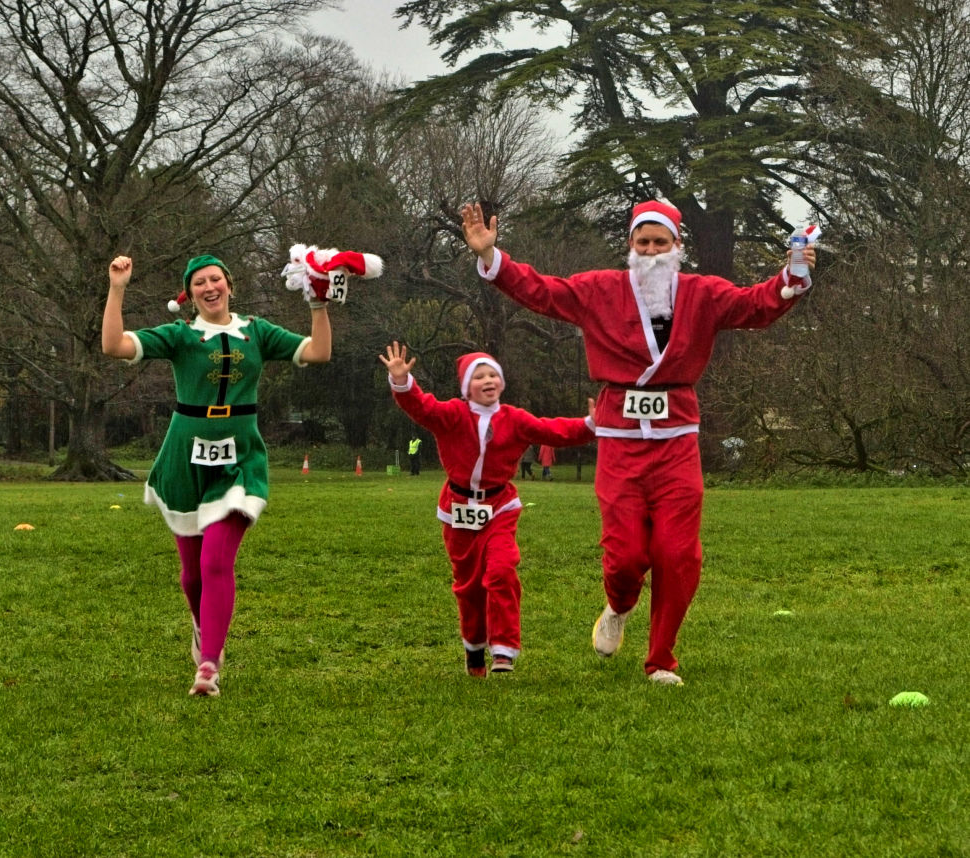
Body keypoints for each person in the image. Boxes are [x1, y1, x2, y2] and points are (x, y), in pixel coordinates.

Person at [461, 199, 817, 685]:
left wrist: (790, 278)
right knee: (626, 554)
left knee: (678, 552)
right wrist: (490, 257)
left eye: (660, 242)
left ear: (677, 247)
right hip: (620, 440)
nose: (651, 251)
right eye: (643, 242)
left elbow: (755, 305)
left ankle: (661, 658)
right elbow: (542, 292)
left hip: (677, 441)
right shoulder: (599, 290)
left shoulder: (702, 294)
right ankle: (619, 604)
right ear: (630, 245)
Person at [102, 253, 333, 697]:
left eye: (216, 280)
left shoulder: (258, 332)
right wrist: (117, 288)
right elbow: (114, 345)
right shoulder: (179, 336)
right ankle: (203, 624)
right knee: (191, 575)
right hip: (183, 459)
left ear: (230, 285)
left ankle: (208, 665)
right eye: (199, 283)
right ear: (188, 295)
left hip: (240, 459)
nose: (210, 288)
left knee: (215, 561)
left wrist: (318, 303)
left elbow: (319, 352)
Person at [379, 341, 595, 676]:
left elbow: (551, 430)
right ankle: (474, 649)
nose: (488, 380)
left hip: (500, 507)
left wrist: (589, 425)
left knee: (501, 570)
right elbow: (421, 407)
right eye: (479, 376)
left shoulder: (515, 419)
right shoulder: (452, 415)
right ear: (467, 388)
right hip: (459, 509)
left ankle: (504, 652)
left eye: (493, 374)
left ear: (502, 382)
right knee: (468, 586)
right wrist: (402, 382)